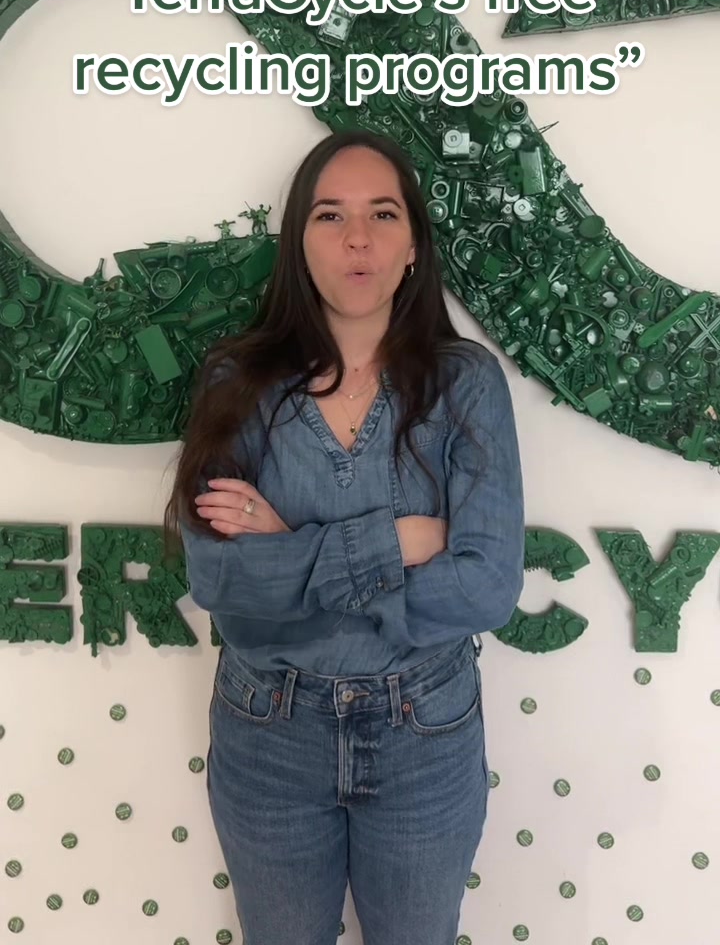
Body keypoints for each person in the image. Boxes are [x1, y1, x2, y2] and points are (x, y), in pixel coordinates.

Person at [163, 126, 525, 945]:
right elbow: (222, 584)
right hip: (268, 733)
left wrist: (288, 545)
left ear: (413, 245)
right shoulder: (236, 381)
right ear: (299, 241)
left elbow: (486, 586)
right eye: (330, 215)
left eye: (383, 214)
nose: (357, 238)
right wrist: (400, 542)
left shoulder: (465, 383)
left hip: (424, 730)